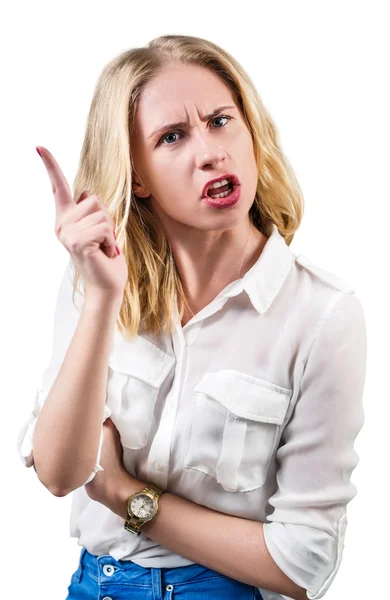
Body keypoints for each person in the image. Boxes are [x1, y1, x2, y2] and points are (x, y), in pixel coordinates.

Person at [16, 34, 367, 600]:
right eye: (172, 137)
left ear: (251, 131)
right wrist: (103, 299)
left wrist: (126, 495)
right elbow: (59, 474)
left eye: (221, 120)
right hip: (94, 587)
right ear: (137, 176)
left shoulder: (322, 314)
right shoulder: (97, 282)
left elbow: (305, 563)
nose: (210, 151)